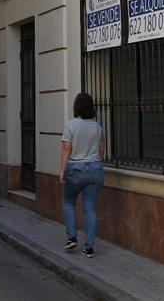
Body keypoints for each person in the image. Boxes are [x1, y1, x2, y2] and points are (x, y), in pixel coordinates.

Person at [59, 92, 104, 258]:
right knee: (90, 209)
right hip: (96, 169)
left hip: (76, 169)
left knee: (68, 202)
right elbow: (101, 151)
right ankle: (89, 248)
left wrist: (62, 171)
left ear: (76, 107)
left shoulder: (71, 125)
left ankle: (72, 237)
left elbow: (66, 149)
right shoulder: (98, 127)